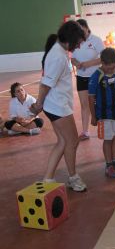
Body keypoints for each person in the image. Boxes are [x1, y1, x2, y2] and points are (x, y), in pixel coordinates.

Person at [30, 20, 87, 192]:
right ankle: (73, 178)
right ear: (70, 39)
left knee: (63, 141)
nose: (78, 46)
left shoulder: (60, 50)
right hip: (57, 106)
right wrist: (38, 104)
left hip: (58, 104)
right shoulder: (57, 56)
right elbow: (46, 84)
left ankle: (48, 178)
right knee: (72, 141)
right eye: (77, 42)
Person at [88, 48, 115, 178]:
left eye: (114, 68)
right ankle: (108, 166)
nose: (112, 70)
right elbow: (91, 97)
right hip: (103, 114)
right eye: (110, 68)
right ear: (103, 63)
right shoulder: (96, 76)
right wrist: (94, 116)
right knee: (108, 139)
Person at [71, 19, 104, 141]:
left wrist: (89, 63)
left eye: (81, 29)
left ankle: (103, 128)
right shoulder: (76, 41)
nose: (79, 32)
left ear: (86, 27)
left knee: (98, 103)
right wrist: (76, 63)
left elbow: (104, 57)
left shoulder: (96, 40)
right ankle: (85, 132)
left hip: (95, 76)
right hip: (81, 78)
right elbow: (72, 58)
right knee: (84, 105)